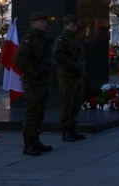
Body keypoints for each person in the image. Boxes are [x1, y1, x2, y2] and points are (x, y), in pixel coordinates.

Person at [14, 12, 54, 156]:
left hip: (42, 80)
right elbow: (18, 59)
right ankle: (28, 144)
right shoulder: (29, 39)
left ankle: (36, 140)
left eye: (45, 21)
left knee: (39, 112)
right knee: (32, 113)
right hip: (32, 82)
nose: (45, 24)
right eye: (42, 22)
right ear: (33, 24)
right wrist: (33, 73)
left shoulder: (43, 40)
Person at [52, 14, 86, 142]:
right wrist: (72, 65)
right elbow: (57, 55)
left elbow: (81, 57)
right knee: (67, 103)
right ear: (66, 26)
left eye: (76, 26)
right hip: (67, 75)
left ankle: (73, 127)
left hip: (77, 75)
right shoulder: (61, 39)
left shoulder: (75, 40)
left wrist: (81, 67)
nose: (75, 28)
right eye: (72, 25)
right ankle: (66, 129)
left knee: (76, 103)